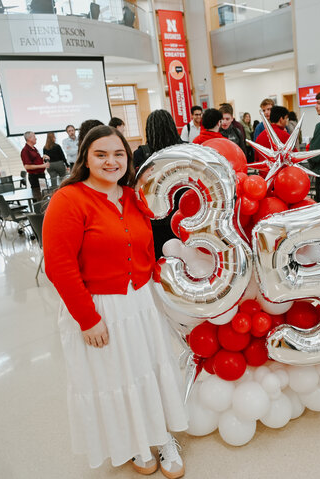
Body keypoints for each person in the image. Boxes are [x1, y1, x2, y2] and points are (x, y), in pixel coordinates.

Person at [42, 125, 188, 477]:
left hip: (139, 303)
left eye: (118, 154)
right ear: (85, 159)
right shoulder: (70, 199)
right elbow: (58, 266)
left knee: (148, 371)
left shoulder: (133, 196)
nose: (111, 161)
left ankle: (163, 435)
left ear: (128, 157)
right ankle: (135, 443)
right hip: (100, 307)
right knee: (115, 377)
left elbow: (145, 246)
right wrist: (87, 318)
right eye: (101, 154)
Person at [133, 110, 185, 259]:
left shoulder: (142, 154)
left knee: (160, 256)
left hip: (155, 212)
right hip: (183, 208)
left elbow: (135, 185)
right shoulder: (186, 148)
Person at [20, 131, 49, 199]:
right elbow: (27, 166)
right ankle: (39, 209)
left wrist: (43, 158)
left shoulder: (34, 148)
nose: (36, 138)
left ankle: (45, 209)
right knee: (38, 196)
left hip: (41, 175)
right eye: (34, 137)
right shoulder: (25, 151)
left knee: (44, 194)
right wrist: (42, 166)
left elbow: (36, 161)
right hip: (35, 177)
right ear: (29, 138)